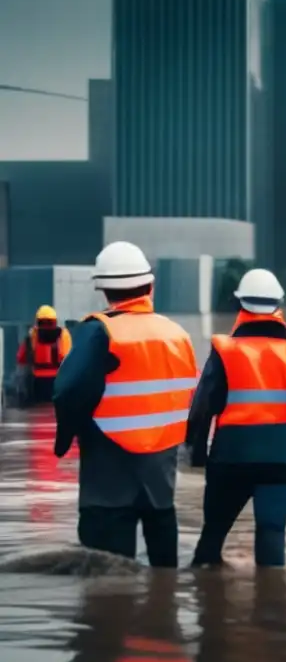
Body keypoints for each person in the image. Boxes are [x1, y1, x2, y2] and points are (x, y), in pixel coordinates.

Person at [52, 241, 197, 567]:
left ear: (103, 289)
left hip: (108, 483)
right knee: (164, 589)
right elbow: (191, 398)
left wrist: (63, 440)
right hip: (161, 487)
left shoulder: (97, 332)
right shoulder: (177, 334)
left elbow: (66, 390)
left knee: (106, 589)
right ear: (150, 285)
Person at [187, 268, 286, 568]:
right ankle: (273, 605)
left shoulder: (223, 351)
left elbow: (202, 407)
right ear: (279, 306)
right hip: (283, 462)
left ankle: (204, 604)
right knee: (272, 533)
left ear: (240, 306)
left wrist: (196, 454)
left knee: (212, 539)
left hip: (230, 460)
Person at [16, 304, 72, 404]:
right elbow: (70, 358)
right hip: (58, 382)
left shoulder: (32, 335)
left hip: (37, 382)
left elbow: (21, 358)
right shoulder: (63, 335)